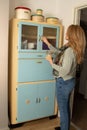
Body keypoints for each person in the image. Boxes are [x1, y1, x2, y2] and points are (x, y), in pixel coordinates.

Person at [41, 24, 86, 130]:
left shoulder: (70, 51)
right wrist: (47, 42)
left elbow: (65, 71)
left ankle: (64, 128)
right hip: (69, 82)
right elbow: (58, 51)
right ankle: (64, 127)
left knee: (63, 109)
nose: (66, 33)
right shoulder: (70, 47)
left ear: (72, 35)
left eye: (67, 32)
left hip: (64, 83)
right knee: (65, 107)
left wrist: (51, 62)